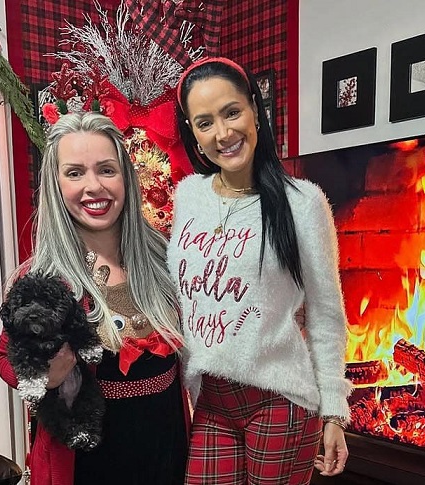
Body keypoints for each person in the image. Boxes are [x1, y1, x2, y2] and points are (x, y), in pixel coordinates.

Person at [169, 57, 351, 484]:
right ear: (193, 133)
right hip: (212, 401)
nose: (223, 133)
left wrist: (333, 412)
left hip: (280, 399)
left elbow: (326, 312)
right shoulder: (188, 196)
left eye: (232, 112)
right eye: (205, 123)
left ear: (254, 108)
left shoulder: (302, 203)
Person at [0, 112, 188, 485]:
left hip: (168, 452)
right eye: (75, 173)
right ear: (56, 185)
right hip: (86, 463)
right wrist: (46, 376)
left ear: (125, 177)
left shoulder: (166, 258)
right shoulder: (42, 280)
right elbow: (5, 358)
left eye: (106, 170)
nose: (94, 186)